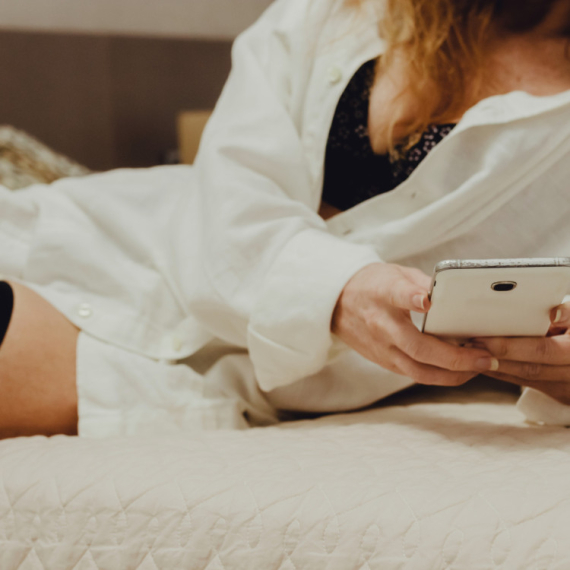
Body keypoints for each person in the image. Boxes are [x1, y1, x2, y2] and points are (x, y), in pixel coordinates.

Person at [2, 0, 570, 439]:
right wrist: (339, 290)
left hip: (242, 367)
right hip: (126, 243)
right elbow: (231, 188)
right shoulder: (341, 12)